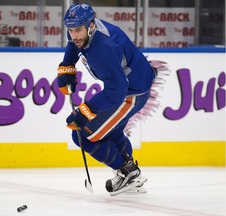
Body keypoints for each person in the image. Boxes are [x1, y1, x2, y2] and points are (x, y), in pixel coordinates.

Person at [57, 3, 156, 196]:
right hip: (131, 85)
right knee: (112, 132)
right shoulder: (85, 31)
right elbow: (73, 43)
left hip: (131, 93)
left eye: (78, 30)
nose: (74, 35)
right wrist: (67, 64)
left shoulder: (102, 49)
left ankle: (128, 172)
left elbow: (116, 93)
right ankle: (130, 174)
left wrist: (86, 111)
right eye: (70, 30)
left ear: (90, 25)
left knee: (83, 135)